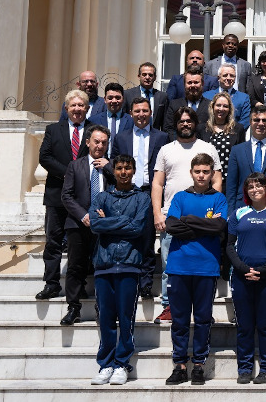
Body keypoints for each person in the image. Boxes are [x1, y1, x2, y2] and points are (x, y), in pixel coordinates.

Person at [151, 107, 223, 324]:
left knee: (203, 266)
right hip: (172, 217)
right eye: (181, 121)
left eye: (189, 121)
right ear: (176, 124)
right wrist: (157, 213)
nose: (185, 124)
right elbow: (158, 183)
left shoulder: (208, 148)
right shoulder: (166, 150)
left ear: (195, 123)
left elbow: (217, 180)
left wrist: (213, 208)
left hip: (205, 219)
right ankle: (169, 306)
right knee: (169, 266)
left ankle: (203, 309)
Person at [162, 153, 228, 385]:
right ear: (191, 173)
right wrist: (203, 226)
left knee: (202, 319)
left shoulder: (218, 199)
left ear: (212, 174)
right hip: (179, 266)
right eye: (197, 171)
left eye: (205, 172)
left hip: (206, 267)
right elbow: (171, 225)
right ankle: (180, 365)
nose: (201, 175)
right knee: (179, 320)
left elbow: (218, 226)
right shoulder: (180, 197)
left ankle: (198, 365)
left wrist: (188, 220)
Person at [88, 154, 152, 386]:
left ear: (134, 171)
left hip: (129, 263)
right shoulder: (102, 197)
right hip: (104, 264)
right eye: (119, 168)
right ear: (113, 171)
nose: (123, 172)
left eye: (128, 168)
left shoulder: (142, 197)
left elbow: (138, 227)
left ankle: (122, 363)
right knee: (105, 317)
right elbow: (94, 224)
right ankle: (105, 364)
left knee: (126, 317)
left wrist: (108, 222)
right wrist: (123, 221)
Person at [226, 173, 266, 384]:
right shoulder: (238, 213)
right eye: (251, 187)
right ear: (246, 191)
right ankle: (245, 369)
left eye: (259, 185)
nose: (255, 190)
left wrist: (264, 270)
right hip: (241, 277)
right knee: (244, 326)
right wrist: (243, 268)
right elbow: (229, 245)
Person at [108, 97, 170, 298]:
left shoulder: (162, 137)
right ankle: (126, 280)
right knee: (125, 238)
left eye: (144, 111)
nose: (141, 114)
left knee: (147, 240)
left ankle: (145, 284)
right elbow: (114, 164)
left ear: (150, 113)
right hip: (127, 193)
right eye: (137, 111)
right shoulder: (121, 138)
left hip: (151, 192)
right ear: (131, 113)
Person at [36, 90, 92, 300]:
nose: (77, 109)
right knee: (53, 241)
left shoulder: (93, 130)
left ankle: (79, 285)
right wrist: (69, 173)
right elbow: (45, 157)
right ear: (66, 108)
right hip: (56, 194)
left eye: (81, 105)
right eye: (73, 105)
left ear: (87, 108)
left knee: (81, 243)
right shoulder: (53, 130)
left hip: (82, 197)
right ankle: (51, 283)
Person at [59, 125, 113, 325]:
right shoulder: (75, 166)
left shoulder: (112, 166)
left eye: (104, 143)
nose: (100, 146)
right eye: (96, 142)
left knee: (104, 267)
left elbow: (120, 189)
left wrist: (109, 167)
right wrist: (83, 216)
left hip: (104, 225)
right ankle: (74, 308)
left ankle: (102, 307)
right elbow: (66, 195)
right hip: (78, 224)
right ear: (88, 142)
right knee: (75, 267)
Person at [225, 103, 266, 215]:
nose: (261, 123)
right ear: (250, 122)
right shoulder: (237, 150)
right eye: (256, 120)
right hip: (243, 208)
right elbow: (231, 186)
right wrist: (230, 214)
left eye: (265, 120)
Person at [198, 92, 246, 185]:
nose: (221, 109)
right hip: (206, 181)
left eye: (225, 106)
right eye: (218, 105)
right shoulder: (202, 129)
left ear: (229, 109)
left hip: (230, 181)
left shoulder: (238, 129)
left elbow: (241, 157)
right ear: (212, 107)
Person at [163, 67, 212, 137]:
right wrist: (181, 142)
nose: (193, 85)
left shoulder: (210, 105)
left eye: (196, 82)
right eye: (189, 82)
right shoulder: (174, 105)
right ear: (184, 84)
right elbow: (168, 129)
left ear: (202, 84)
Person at [202, 63, 251, 128]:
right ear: (218, 78)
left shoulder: (243, 98)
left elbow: (245, 121)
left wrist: (231, 132)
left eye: (232, 76)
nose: (228, 78)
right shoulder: (206, 96)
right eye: (225, 75)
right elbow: (203, 118)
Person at [124, 62, 169, 130]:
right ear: (139, 76)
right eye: (144, 74)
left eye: (150, 75)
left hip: (154, 134)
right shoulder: (128, 94)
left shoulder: (162, 96)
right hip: (133, 133)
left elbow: (165, 123)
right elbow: (124, 119)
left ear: (155, 77)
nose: (147, 77)